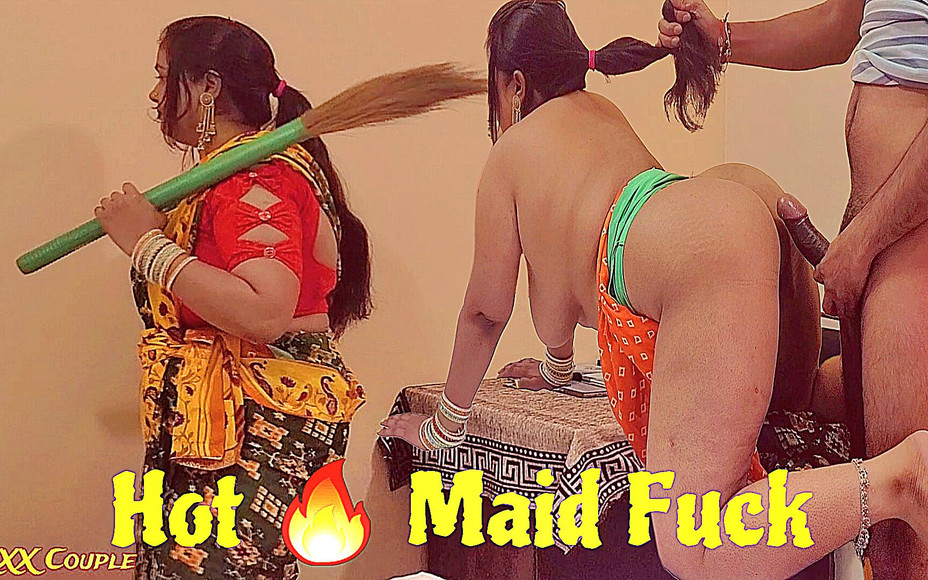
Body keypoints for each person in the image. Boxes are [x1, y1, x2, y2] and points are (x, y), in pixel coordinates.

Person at [378, 2, 928, 578]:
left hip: (707, 249)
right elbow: (569, 305)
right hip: (742, 204)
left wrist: (442, 427)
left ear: (514, 85)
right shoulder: (602, 112)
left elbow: (486, 314)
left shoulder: (510, 155)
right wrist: (555, 370)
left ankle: (898, 480)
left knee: (695, 543)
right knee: (795, 406)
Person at [92, 16, 468, 579]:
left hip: (249, 428)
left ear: (208, 86)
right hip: (217, 422)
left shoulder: (254, 179)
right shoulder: (236, 174)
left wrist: (146, 244)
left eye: (164, 75)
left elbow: (265, 311)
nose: (154, 94)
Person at [658, 1, 928, 576]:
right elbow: (841, 24)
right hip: (886, 240)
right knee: (889, 531)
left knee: (909, 532)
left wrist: (864, 242)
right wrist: (721, 38)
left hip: (909, 238)